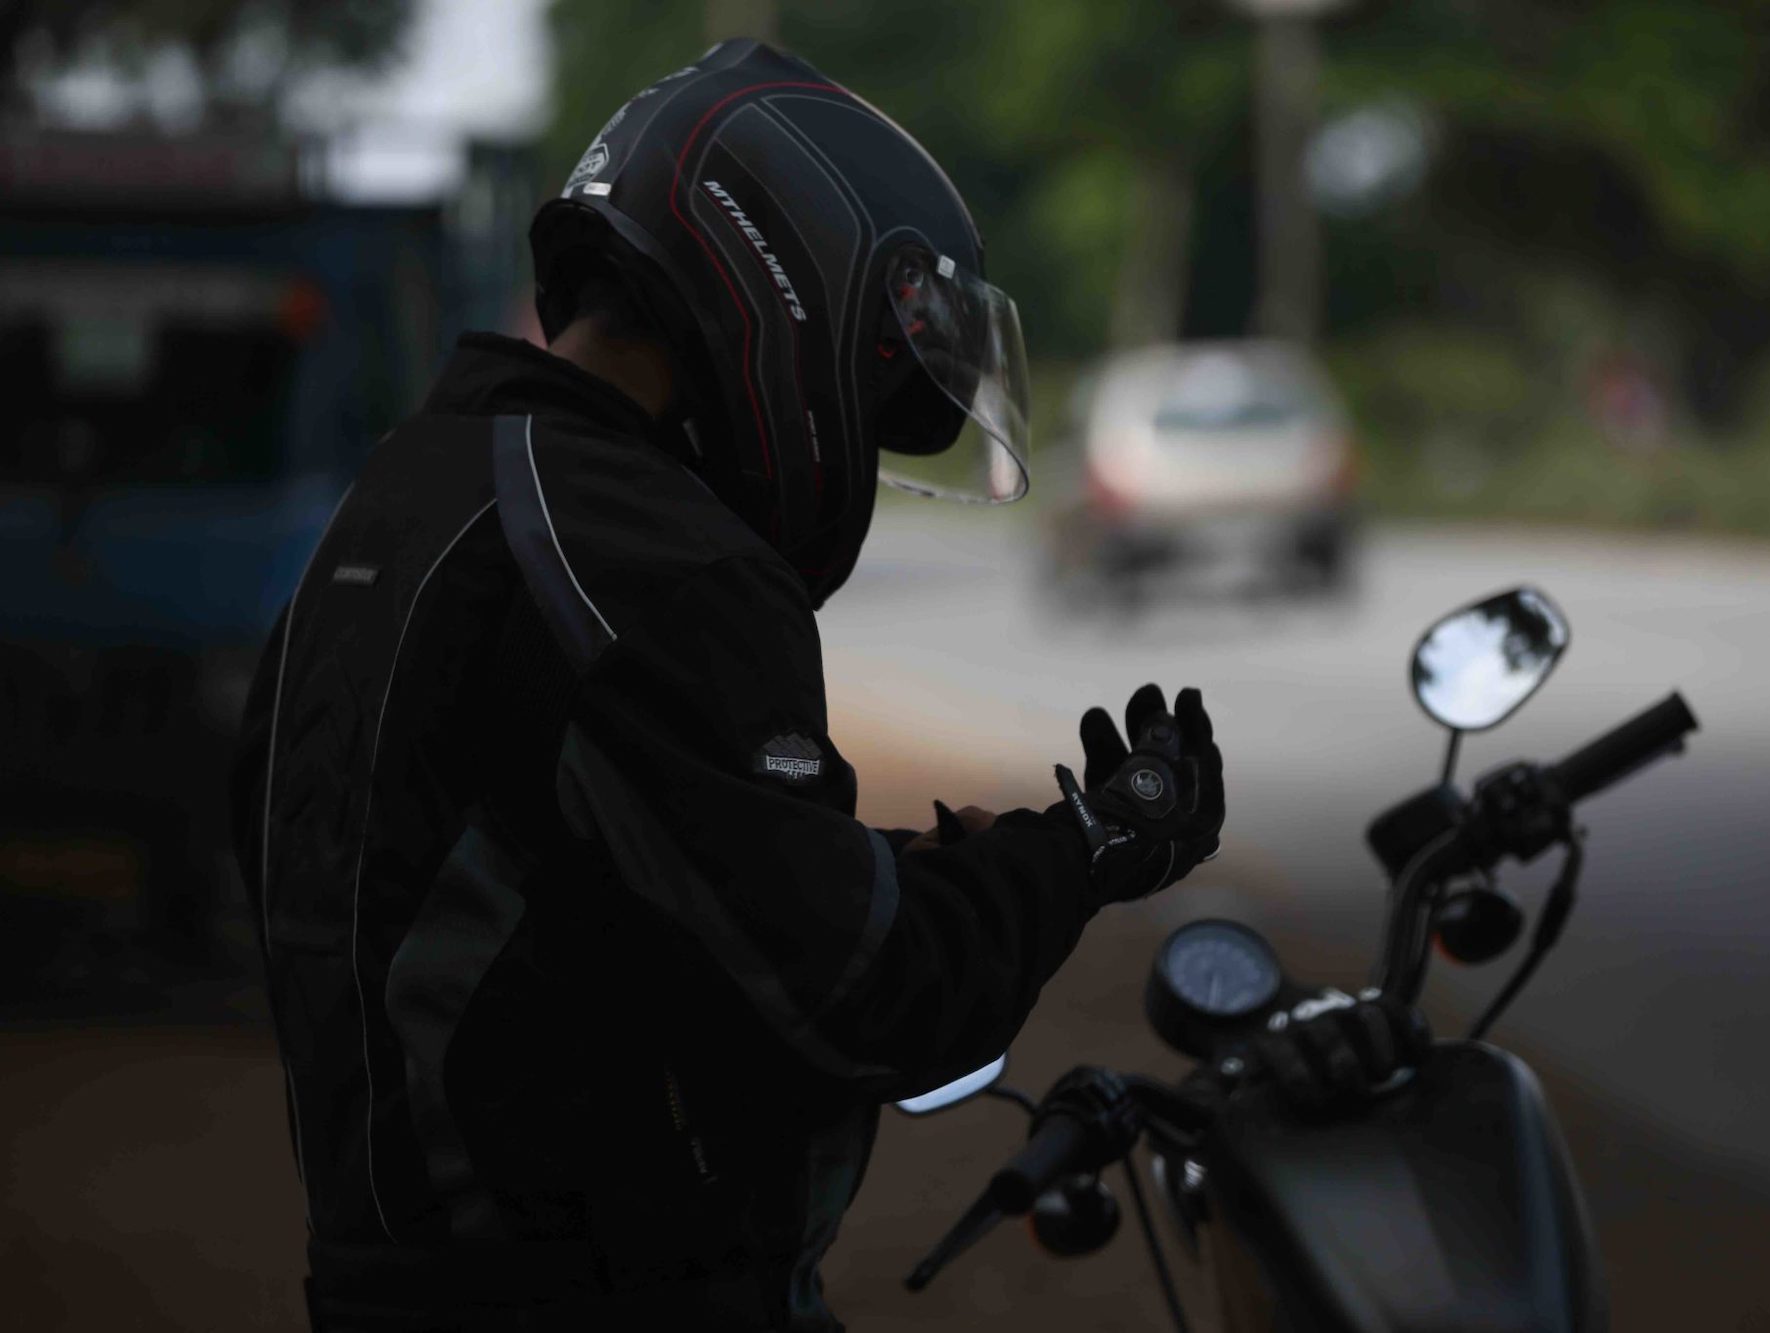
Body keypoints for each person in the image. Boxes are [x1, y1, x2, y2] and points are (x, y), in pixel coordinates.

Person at [230, 39, 1225, 1332]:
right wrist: (1088, 843)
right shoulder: (644, 555)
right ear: (787, 281)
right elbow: (859, 995)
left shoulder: (425, 490)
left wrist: (910, 871)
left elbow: (594, 882)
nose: (856, 444)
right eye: (873, 399)